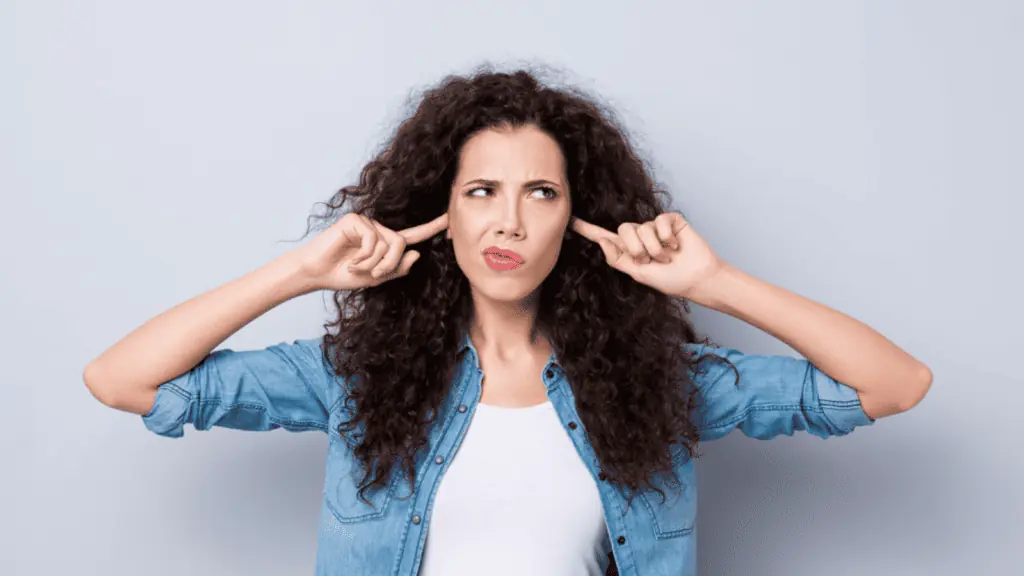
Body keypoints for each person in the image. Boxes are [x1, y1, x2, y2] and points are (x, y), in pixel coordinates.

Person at [83, 66, 932, 576]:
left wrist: (713, 283)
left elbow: (894, 385)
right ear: (442, 213)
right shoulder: (352, 378)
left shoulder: (656, 384)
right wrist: (303, 270)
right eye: (481, 191)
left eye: (542, 193)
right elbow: (122, 380)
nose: (510, 223)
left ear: (577, 219)